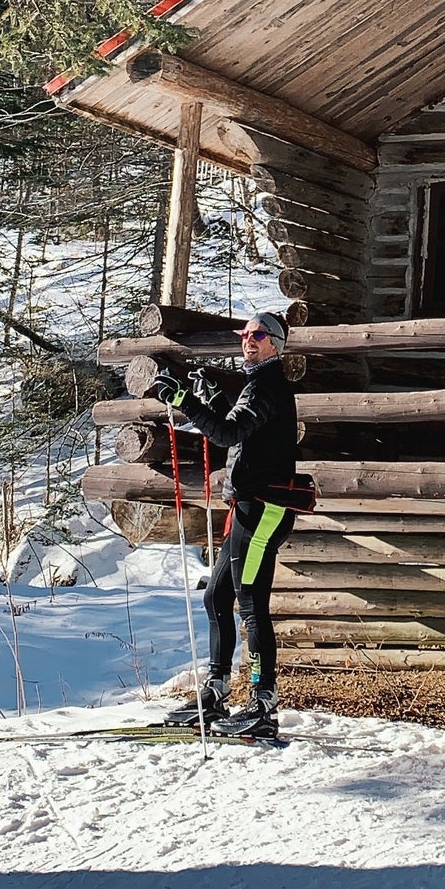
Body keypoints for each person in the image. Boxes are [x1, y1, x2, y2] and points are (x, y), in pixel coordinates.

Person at [158, 309, 301, 740]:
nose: (248, 340)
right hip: (246, 509)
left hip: (264, 510)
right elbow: (244, 430)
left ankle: (262, 701)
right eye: (245, 333)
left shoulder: (268, 384)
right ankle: (216, 690)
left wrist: (188, 403)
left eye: (258, 334)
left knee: (251, 604)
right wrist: (214, 398)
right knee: (216, 596)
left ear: (275, 344)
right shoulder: (257, 384)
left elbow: (226, 434)